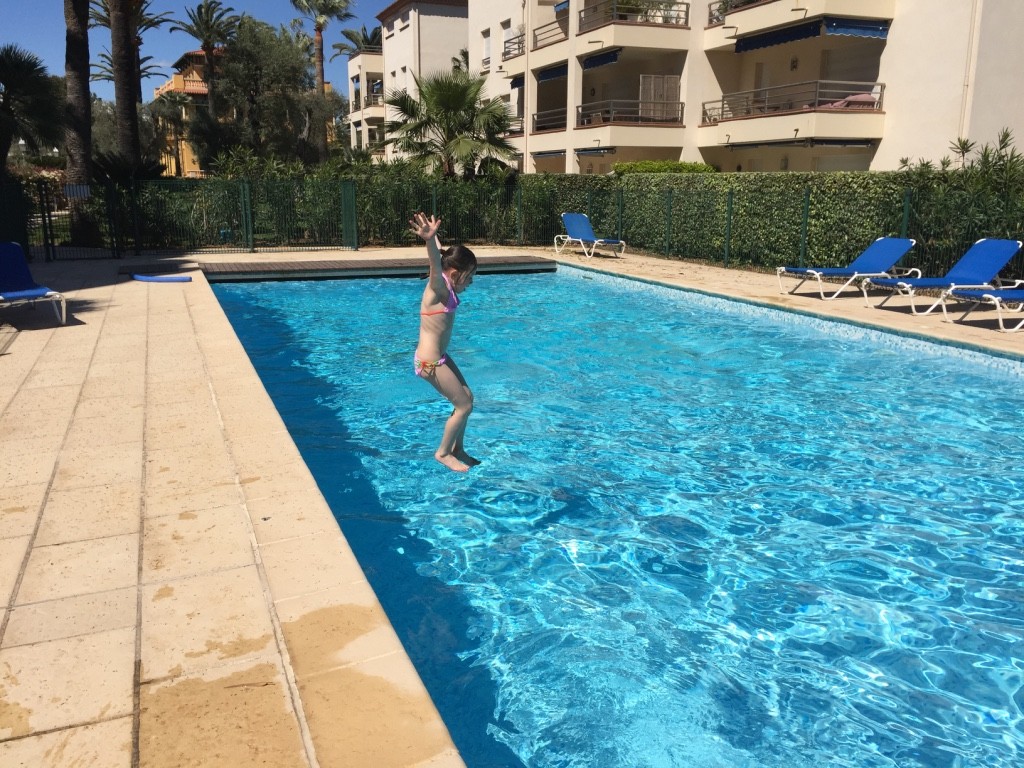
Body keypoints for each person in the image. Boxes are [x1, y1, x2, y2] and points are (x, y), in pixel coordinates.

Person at [409, 212, 480, 472]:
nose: (471, 282)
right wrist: (428, 241)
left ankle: (457, 448)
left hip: (440, 356)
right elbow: (436, 265)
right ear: (454, 273)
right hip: (429, 361)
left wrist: (436, 240)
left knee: (468, 397)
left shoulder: (448, 285)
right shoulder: (438, 287)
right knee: (463, 405)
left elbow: (441, 255)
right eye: (469, 276)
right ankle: (442, 453)